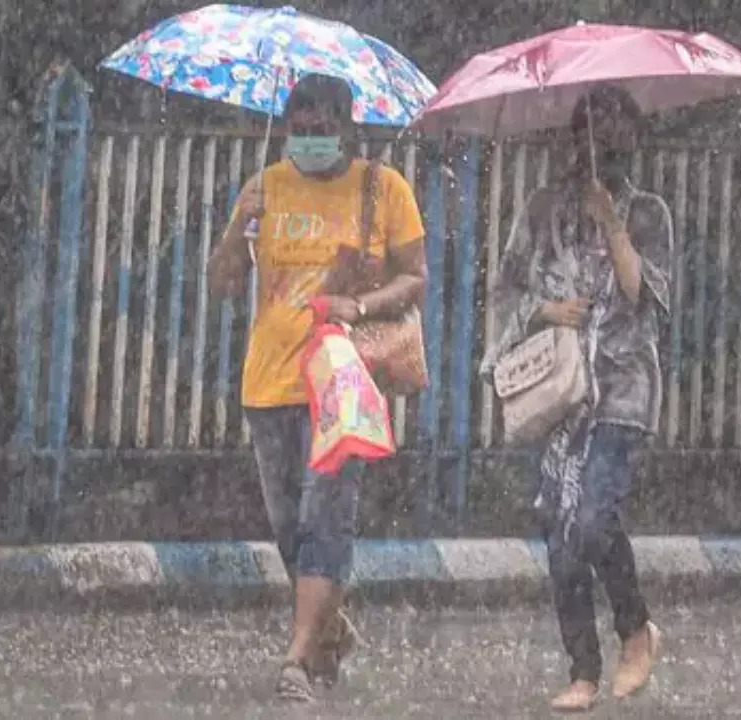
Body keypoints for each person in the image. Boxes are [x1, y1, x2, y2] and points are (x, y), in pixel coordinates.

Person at [208, 73, 427, 703]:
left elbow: (416, 277)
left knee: (325, 516)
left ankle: (297, 660)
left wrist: (358, 306)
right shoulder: (265, 189)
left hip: (341, 383)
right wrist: (236, 230)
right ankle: (327, 627)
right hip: (269, 381)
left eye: (323, 127)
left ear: (348, 127)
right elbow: (222, 282)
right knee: (287, 525)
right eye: (300, 128)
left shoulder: (382, 189)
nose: (310, 138)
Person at [481, 85, 673, 713]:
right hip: (559, 393)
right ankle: (583, 669)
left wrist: (611, 220)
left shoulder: (648, 213)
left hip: (620, 388)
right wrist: (543, 310)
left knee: (591, 519)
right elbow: (506, 289)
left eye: (616, 127)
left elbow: (645, 296)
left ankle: (635, 627)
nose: (603, 141)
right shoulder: (541, 210)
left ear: (633, 138)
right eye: (592, 127)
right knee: (560, 527)